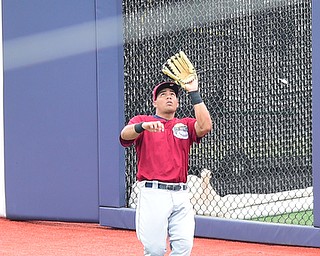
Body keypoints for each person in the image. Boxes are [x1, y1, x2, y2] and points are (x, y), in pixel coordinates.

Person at [119, 77, 212, 256]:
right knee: (154, 250)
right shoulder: (143, 120)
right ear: (155, 101)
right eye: (163, 94)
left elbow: (205, 126)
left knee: (184, 247)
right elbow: (124, 135)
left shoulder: (185, 124)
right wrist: (142, 127)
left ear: (177, 101)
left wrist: (194, 92)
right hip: (153, 193)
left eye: (172, 95)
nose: (169, 97)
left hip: (181, 194)